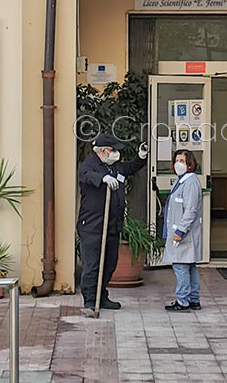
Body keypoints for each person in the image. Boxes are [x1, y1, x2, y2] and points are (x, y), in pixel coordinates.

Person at [78, 133, 147, 317]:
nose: (116, 153)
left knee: (110, 263)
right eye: (113, 150)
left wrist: (141, 157)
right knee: (92, 265)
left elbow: (130, 168)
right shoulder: (89, 165)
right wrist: (102, 179)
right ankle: (90, 301)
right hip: (93, 226)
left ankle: (102, 296)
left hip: (112, 225)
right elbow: (86, 176)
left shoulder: (115, 167)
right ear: (102, 151)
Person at [163, 149, 203, 312]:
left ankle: (183, 301)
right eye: (176, 160)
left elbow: (190, 210)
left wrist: (180, 231)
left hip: (185, 234)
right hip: (184, 233)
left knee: (180, 266)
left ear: (190, 164)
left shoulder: (190, 182)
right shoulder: (182, 181)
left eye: (182, 161)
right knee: (189, 265)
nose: (178, 164)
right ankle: (193, 299)